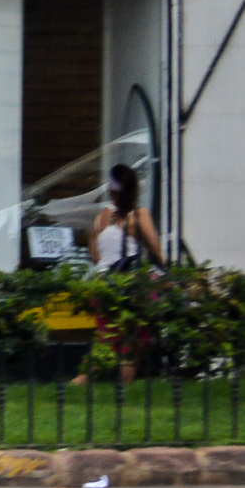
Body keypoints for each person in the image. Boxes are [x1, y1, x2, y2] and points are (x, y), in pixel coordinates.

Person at [80, 163, 167, 385]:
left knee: (106, 340)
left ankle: (79, 382)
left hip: (102, 287)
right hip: (130, 288)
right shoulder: (139, 215)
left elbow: (94, 256)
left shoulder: (101, 218)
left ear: (111, 189)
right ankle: (124, 393)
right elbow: (156, 251)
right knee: (132, 341)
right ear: (135, 188)